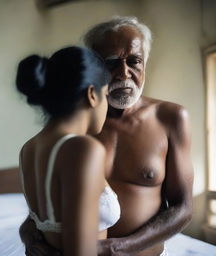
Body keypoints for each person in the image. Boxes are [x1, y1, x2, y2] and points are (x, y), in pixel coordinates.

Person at [19, 16, 194, 256]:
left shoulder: (171, 118)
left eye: (134, 61)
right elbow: (50, 203)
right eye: (111, 63)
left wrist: (119, 247)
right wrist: (29, 229)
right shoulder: (74, 134)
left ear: (145, 63)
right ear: (94, 69)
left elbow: (183, 207)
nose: (124, 73)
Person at [16, 46, 121, 256]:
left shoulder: (28, 149)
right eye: (106, 95)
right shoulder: (83, 149)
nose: (107, 108)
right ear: (92, 94)